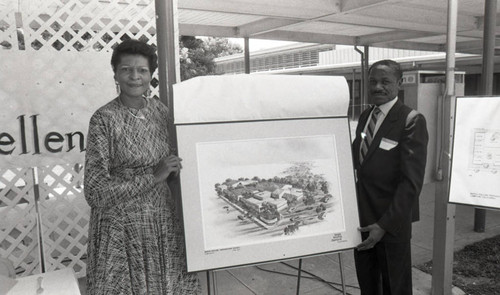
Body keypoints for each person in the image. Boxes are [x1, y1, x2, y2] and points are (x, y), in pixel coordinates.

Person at [84, 39, 200, 294]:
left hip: (160, 224)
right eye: (126, 69)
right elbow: (95, 193)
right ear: (115, 73)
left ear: (151, 75)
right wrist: (153, 177)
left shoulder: (161, 111)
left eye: (142, 70)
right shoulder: (104, 119)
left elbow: (171, 159)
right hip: (122, 230)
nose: (134, 77)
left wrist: (176, 167)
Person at [352, 59, 428, 294]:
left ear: (399, 83)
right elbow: (358, 157)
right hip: (363, 219)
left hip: (391, 223)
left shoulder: (411, 120)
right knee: (368, 284)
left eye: (385, 81)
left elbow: (411, 184)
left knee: (394, 287)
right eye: (373, 81)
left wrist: (383, 225)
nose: (377, 87)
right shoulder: (365, 117)